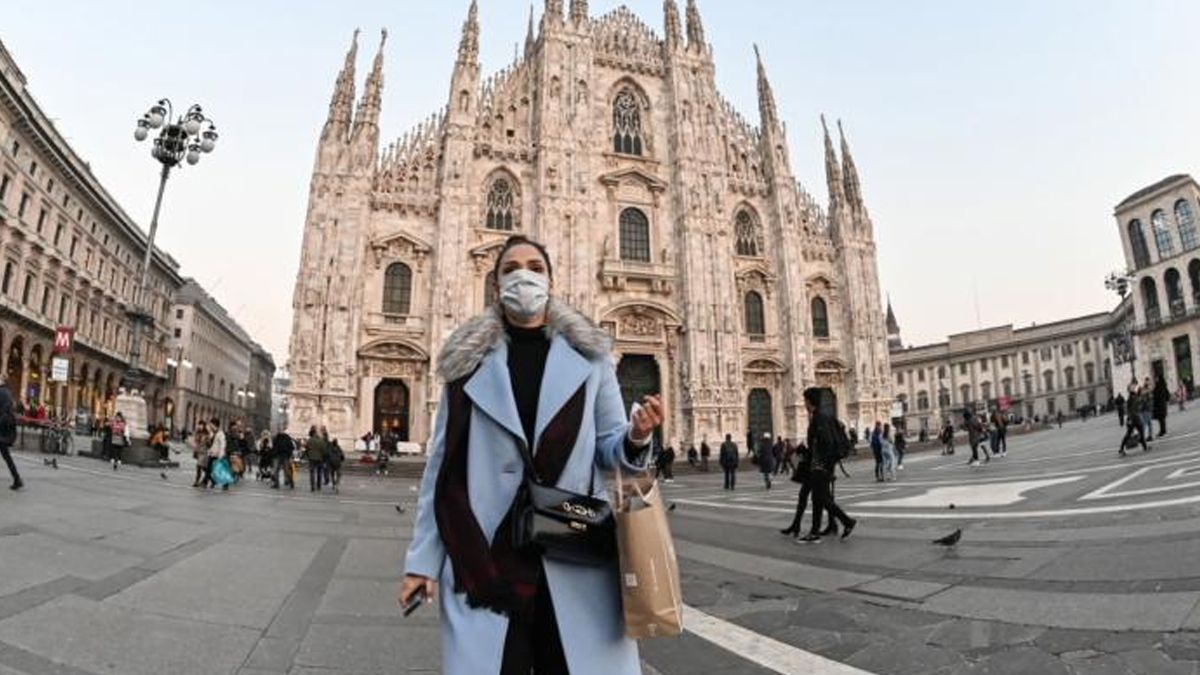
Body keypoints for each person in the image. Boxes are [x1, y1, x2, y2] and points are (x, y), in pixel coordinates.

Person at [399, 235, 661, 674]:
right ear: (496, 282)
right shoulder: (466, 363)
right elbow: (441, 473)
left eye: (535, 267)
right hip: (486, 555)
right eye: (512, 267)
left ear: (551, 280)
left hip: (571, 542)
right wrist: (422, 562)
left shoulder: (592, 358)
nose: (525, 275)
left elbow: (612, 449)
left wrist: (636, 437)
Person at [798, 387, 857, 544]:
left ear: (810, 402)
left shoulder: (819, 418)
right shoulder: (823, 415)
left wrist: (823, 463)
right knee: (818, 498)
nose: (804, 403)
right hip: (821, 464)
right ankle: (815, 531)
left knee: (821, 497)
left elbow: (826, 442)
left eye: (805, 400)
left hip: (821, 465)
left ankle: (847, 521)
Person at [780, 441, 812, 537]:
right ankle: (796, 526)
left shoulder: (820, 428)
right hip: (812, 471)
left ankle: (846, 521)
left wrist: (804, 450)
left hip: (814, 471)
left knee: (824, 500)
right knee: (804, 498)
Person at [0, 380, 22, 490]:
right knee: (6, 456)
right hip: (7, 427)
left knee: (6, 455)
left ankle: (17, 479)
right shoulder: (8, 392)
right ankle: (17, 479)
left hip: (1, 425)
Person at [1119, 384, 1149, 457]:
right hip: (1133, 418)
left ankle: (1144, 446)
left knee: (1140, 431)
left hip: (1136, 417)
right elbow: (1129, 409)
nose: (1134, 387)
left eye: (1133, 387)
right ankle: (1121, 448)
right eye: (1132, 387)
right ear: (1129, 390)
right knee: (1129, 434)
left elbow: (1139, 400)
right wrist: (1129, 419)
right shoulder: (1130, 398)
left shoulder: (1134, 395)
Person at [204, 417, 228, 490]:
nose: (210, 425)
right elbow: (210, 443)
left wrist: (221, 455)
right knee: (209, 470)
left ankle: (225, 483)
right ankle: (209, 482)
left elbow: (222, 444)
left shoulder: (221, 434)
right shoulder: (212, 433)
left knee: (218, 471)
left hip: (218, 455)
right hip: (212, 454)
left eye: (211, 424)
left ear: (214, 424)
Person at [305, 425, 328, 492]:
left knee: (312, 472)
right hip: (320, 459)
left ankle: (312, 486)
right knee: (319, 473)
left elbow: (307, 448)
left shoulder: (310, 440)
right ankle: (318, 486)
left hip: (312, 458)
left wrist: (308, 455)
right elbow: (324, 450)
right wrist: (324, 457)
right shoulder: (321, 441)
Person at [191, 420, 211, 487]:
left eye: (201, 425)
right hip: (198, 452)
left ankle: (197, 481)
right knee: (203, 467)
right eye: (199, 425)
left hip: (204, 452)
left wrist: (207, 440)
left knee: (199, 466)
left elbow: (209, 444)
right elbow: (195, 441)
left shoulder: (207, 434)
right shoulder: (197, 432)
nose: (200, 426)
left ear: (204, 425)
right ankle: (207, 477)